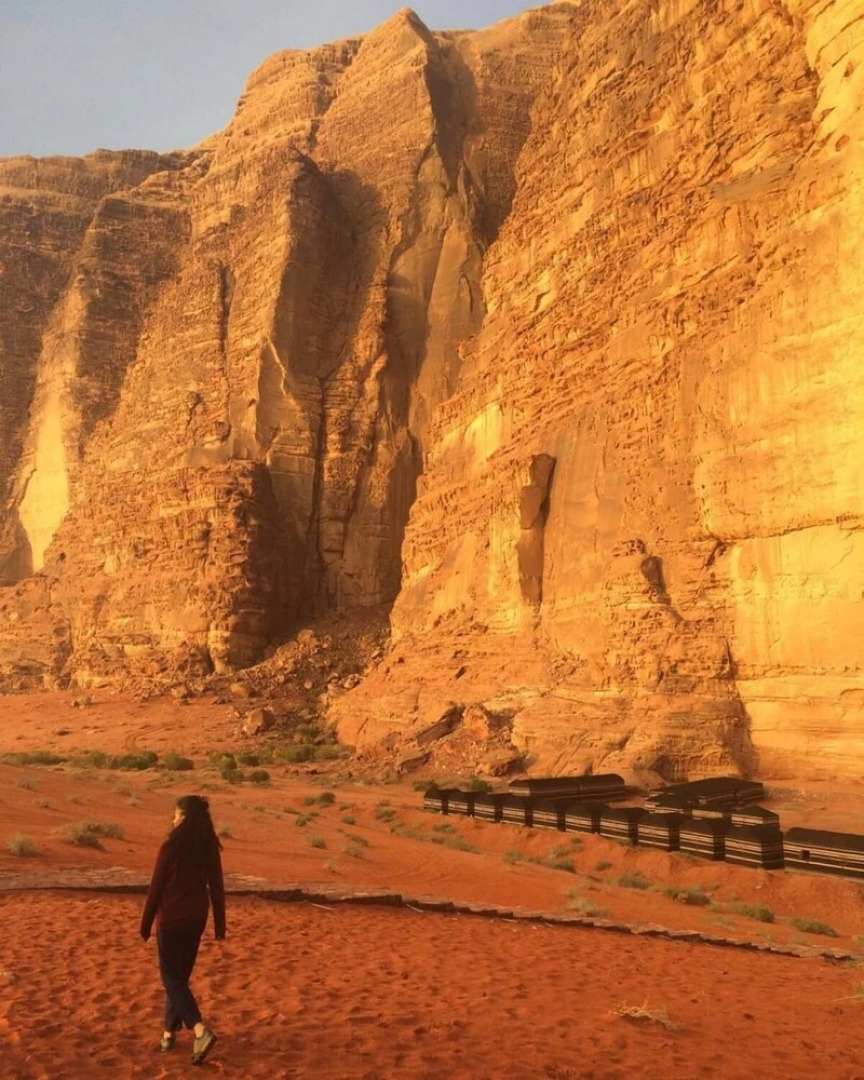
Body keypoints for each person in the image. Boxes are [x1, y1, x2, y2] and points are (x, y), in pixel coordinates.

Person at [140, 794, 226, 1065]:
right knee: (179, 979)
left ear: (185, 817)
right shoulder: (208, 848)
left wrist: (145, 923)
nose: (172, 819)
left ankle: (199, 1029)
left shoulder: (170, 847)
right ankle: (168, 1033)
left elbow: (155, 888)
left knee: (171, 978)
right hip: (196, 920)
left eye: (176, 814)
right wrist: (220, 923)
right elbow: (218, 887)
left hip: (171, 921)